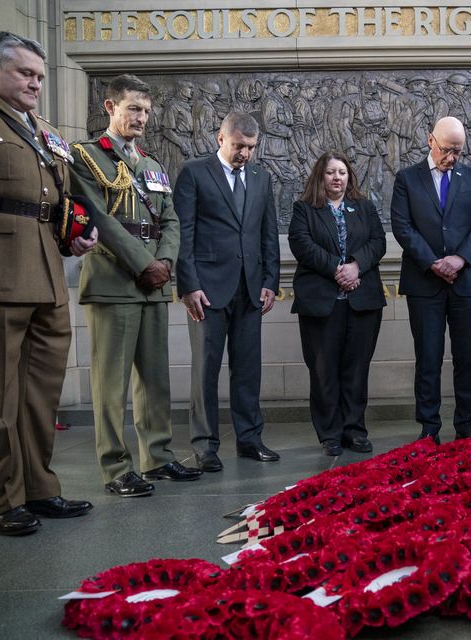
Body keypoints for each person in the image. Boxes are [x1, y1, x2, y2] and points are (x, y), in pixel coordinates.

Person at [0, 32, 98, 535]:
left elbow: (55, 198)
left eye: (40, 76)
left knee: (40, 396)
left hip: (45, 270)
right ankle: (2, 499)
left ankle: (40, 489)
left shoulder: (42, 128)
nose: (35, 84)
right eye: (25, 73)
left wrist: (74, 234)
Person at [71, 74, 201, 498]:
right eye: (133, 109)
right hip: (114, 282)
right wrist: (145, 263)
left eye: (146, 111)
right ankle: (116, 467)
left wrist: (164, 262)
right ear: (110, 108)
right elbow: (99, 217)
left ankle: (158, 456)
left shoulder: (152, 165)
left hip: (153, 284)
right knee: (111, 384)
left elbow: (172, 221)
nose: (141, 117)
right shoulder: (87, 158)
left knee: (155, 380)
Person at [174, 112, 281, 471]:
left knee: (248, 368)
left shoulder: (261, 177)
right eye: (239, 146)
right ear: (221, 139)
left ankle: (250, 439)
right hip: (207, 290)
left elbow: (268, 235)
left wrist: (270, 282)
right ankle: (205, 445)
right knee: (206, 369)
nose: (245, 154)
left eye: (251, 147)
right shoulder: (194, 173)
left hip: (250, 288)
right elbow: (183, 234)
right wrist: (188, 285)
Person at [390, 116, 471, 444]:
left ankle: (466, 426)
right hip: (424, 283)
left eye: (458, 152)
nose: (451, 157)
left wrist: (460, 258)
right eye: (447, 150)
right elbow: (402, 226)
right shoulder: (407, 178)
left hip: (469, 283)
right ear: (430, 140)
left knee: (467, 358)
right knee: (428, 358)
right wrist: (433, 262)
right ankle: (429, 429)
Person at [289, 152, 386, 456]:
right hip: (321, 302)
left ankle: (354, 430)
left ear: (349, 177)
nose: (337, 178)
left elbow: (378, 242)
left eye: (342, 172)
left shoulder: (365, 208)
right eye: (331, 172)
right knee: (323, 370)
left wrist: (356, 266)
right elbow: (302, 245)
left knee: (356, 370)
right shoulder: (304, 209)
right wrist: (336, 269)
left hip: (362, 301)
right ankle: (330, 433)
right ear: (321, 176)